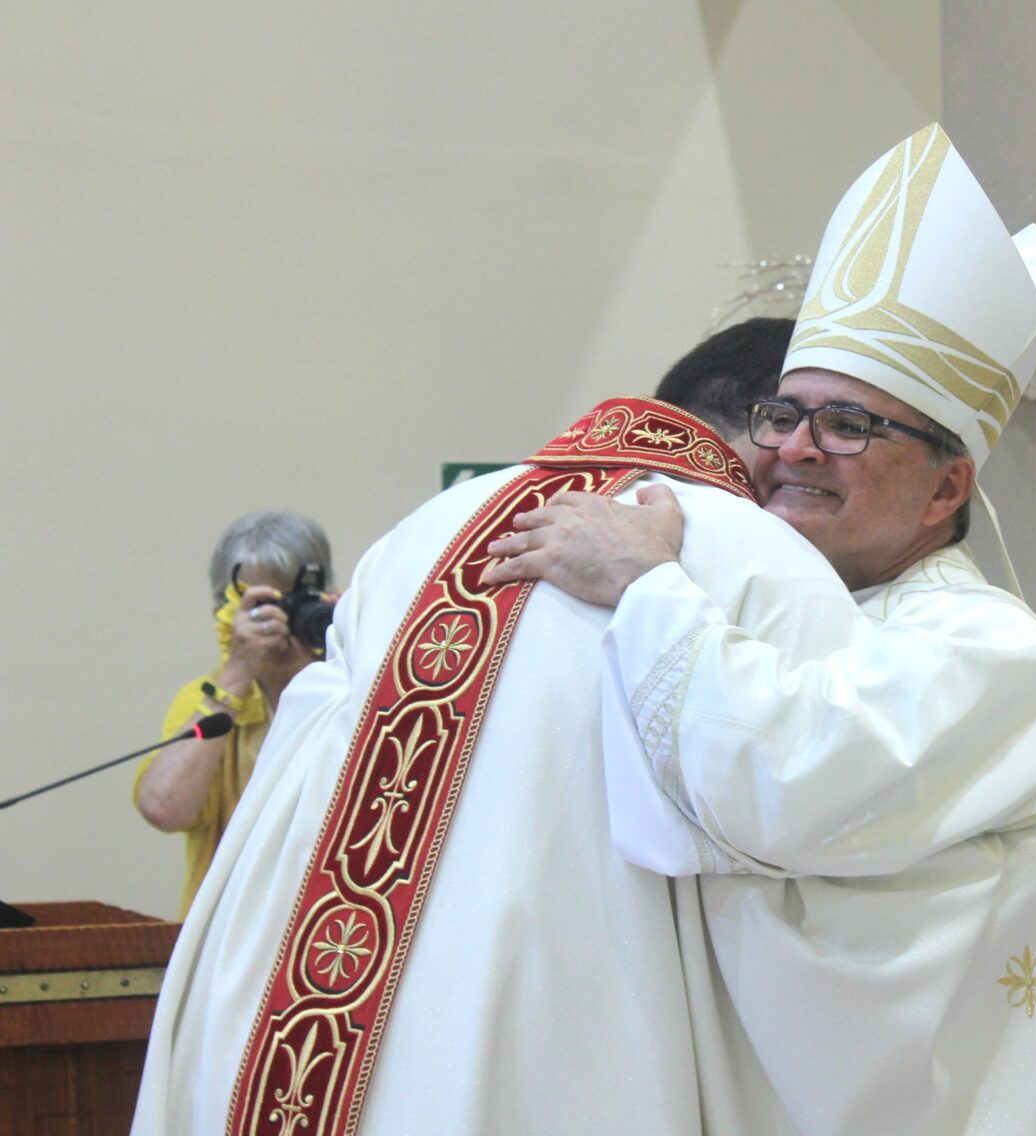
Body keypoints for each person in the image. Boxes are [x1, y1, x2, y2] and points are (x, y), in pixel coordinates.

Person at [484, 124, 1036, 1133]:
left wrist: (646, 586)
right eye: (786, 413)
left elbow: (790, 784)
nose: (794, 449)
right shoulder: (758, 599)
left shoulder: (998, 655)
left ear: (946, 486)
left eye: (850, 425)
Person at [131, 318, 888, 1136]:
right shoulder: (759, 553)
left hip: (287, 1035)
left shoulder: (420, 531)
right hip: (555, 1040)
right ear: (776, 434)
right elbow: (818, 834)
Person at [134, 511, 335, 917]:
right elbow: (165, 809)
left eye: (298, 602)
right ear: (224, 610)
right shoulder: (206, 703)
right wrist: (238, 672)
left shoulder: (354, 693)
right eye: (267, 605)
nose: (284, 620)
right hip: (229, 936)